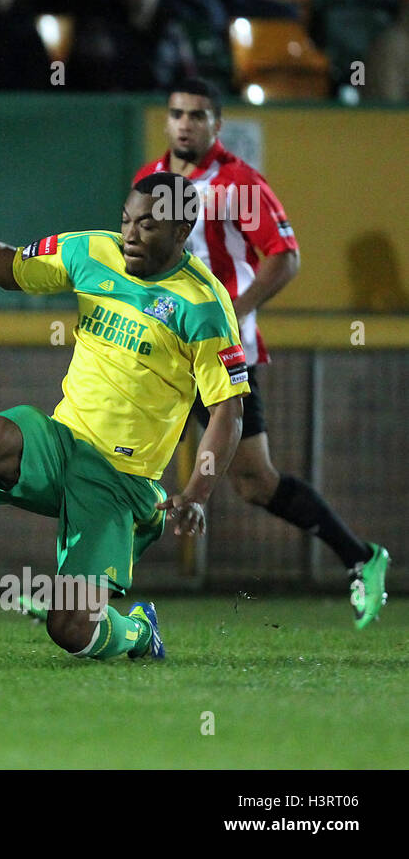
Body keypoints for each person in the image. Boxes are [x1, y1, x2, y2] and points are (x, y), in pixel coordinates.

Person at [0, 173, 250, 662]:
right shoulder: (90, 251)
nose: (130, 234)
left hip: (120, 482)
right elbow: (8, 266)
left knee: (71, 628)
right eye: (126, 220)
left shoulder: (204, 306)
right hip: (60, 445)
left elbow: (228, 410)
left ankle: (140, 633)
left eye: (148, 225)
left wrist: (196, 493)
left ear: (182, 229)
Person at [133, 79, 390, 627]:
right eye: (177, 113)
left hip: (220, 351)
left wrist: (235, 308)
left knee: (253, 481)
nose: (185, 124)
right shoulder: (150, 181)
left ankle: (362, 558)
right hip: (161, 347)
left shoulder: (239, 182)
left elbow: (286, 256)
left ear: (217, 125)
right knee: (121, 452)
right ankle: (81, 592)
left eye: (198, 115)